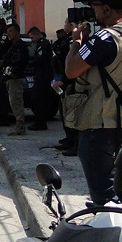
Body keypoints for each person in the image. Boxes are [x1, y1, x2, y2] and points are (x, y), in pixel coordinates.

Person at [65, 0, 122, 205]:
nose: (93, 11)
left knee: (105, 195)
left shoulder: (106, 39)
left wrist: (76, 43)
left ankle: (111, 235)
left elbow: (72, 70)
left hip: (102, 124)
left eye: (96, 6)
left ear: (107, 9)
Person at [52, 18, 79, 155]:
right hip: (64, 78)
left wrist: (64, 81)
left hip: (71, 82)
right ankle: (69, 139)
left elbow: (71, 65)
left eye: (66, 24)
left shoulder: (72, 42)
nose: (64, 26)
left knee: (72, 115)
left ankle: (75, 143)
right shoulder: (66, 40)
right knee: (65, 112)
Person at [0, 23, 30, 136]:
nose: (8, 34)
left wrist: (5, 62)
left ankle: (20, 126)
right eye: (7, 32)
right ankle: (19, 125)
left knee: (16, 102)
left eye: (11, 31)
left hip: (15, 78)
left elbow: (20, 61)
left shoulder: (20, 46)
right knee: (13, 102)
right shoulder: (12, 45)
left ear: (17, 32)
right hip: (10, 77)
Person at [26, 26, 56, 131]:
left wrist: (30, 63)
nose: (31, 40)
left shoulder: (44, 44)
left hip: (43, 76)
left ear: (36, 35)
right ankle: (40, 121)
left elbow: (41, 59)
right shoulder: (41, 44)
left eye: (32, 37)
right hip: (40, 76)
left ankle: (40, 122)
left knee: (38, 100)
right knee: (37, 100)